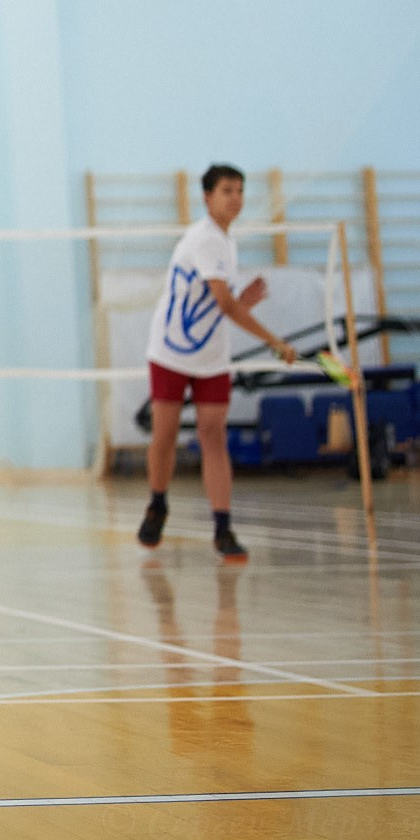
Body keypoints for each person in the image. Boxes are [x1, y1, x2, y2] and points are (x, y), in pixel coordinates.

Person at [139, 163, 299, 562]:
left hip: (210, 355)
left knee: (213, 435)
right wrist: (275, 342)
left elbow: (218, 302)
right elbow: (224, 304)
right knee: (165, 433)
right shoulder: (206, 239)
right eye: (227, 190)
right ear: (208, 197)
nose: (236, 198)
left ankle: (223, 527)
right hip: (171, 350)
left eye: (240, 190)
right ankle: (158, 503)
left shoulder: (227, 241)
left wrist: (241, 303)